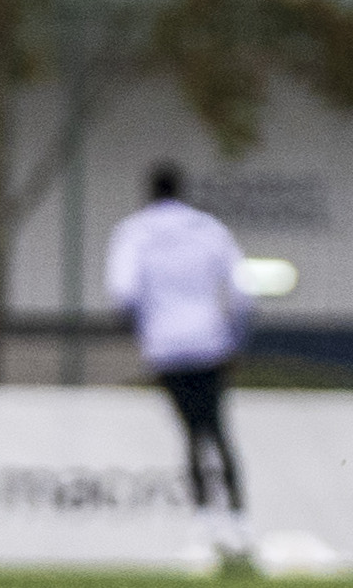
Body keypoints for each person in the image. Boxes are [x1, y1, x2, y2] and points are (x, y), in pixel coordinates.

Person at [102, 165, 248, 524]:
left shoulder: (133, 232)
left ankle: (204, 521)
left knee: (191, 433)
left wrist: (143, 329)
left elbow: (122, 293)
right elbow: (244, 292)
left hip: (166, 347)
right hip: (210, 343)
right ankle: (238, 520)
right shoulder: (209, 229)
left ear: (149, 192)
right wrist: (235, 337)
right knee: (216, 430)